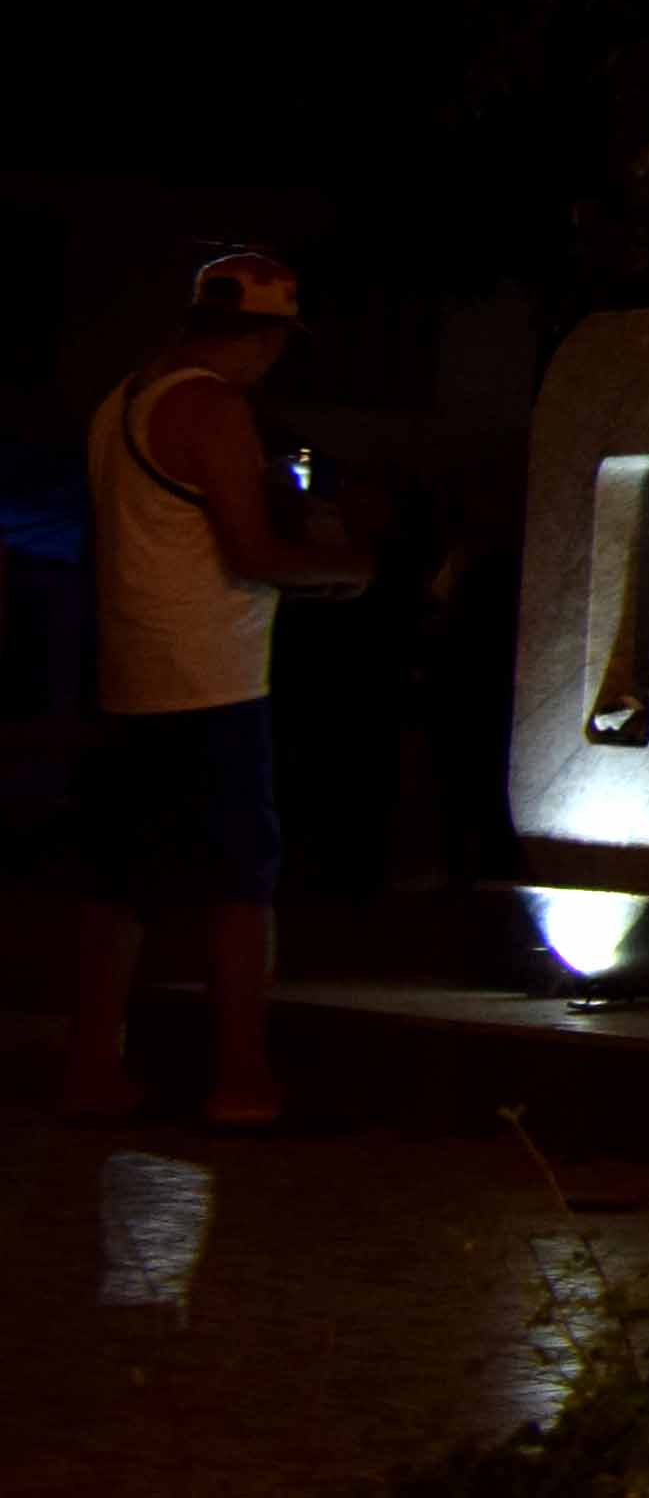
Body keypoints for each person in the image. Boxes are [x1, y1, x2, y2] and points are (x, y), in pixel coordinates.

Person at [58, 249, 371, 1128]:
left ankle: (93, 1068)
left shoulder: (121, 401)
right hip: (211, 682)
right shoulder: (214, 407)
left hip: (128, 674)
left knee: (117, 886)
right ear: (266, 337)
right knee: (239, 887)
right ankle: (241, 1079)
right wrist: (344, 566)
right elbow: (252, 552)